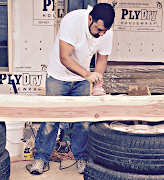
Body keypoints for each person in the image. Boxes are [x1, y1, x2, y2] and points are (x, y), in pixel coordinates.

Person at [30, 3, 115, 175]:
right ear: (90, 18)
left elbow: (101, 59)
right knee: (51, 119)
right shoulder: (72, 21)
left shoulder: (106, 33)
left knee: (83, 121)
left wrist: (97, 80)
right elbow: (65, 57)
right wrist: (87, 75)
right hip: (58, 76)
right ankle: (41, 158)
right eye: (98, 29)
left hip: (82, 79)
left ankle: (81, 158)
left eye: (104, 30)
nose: (102, 34)